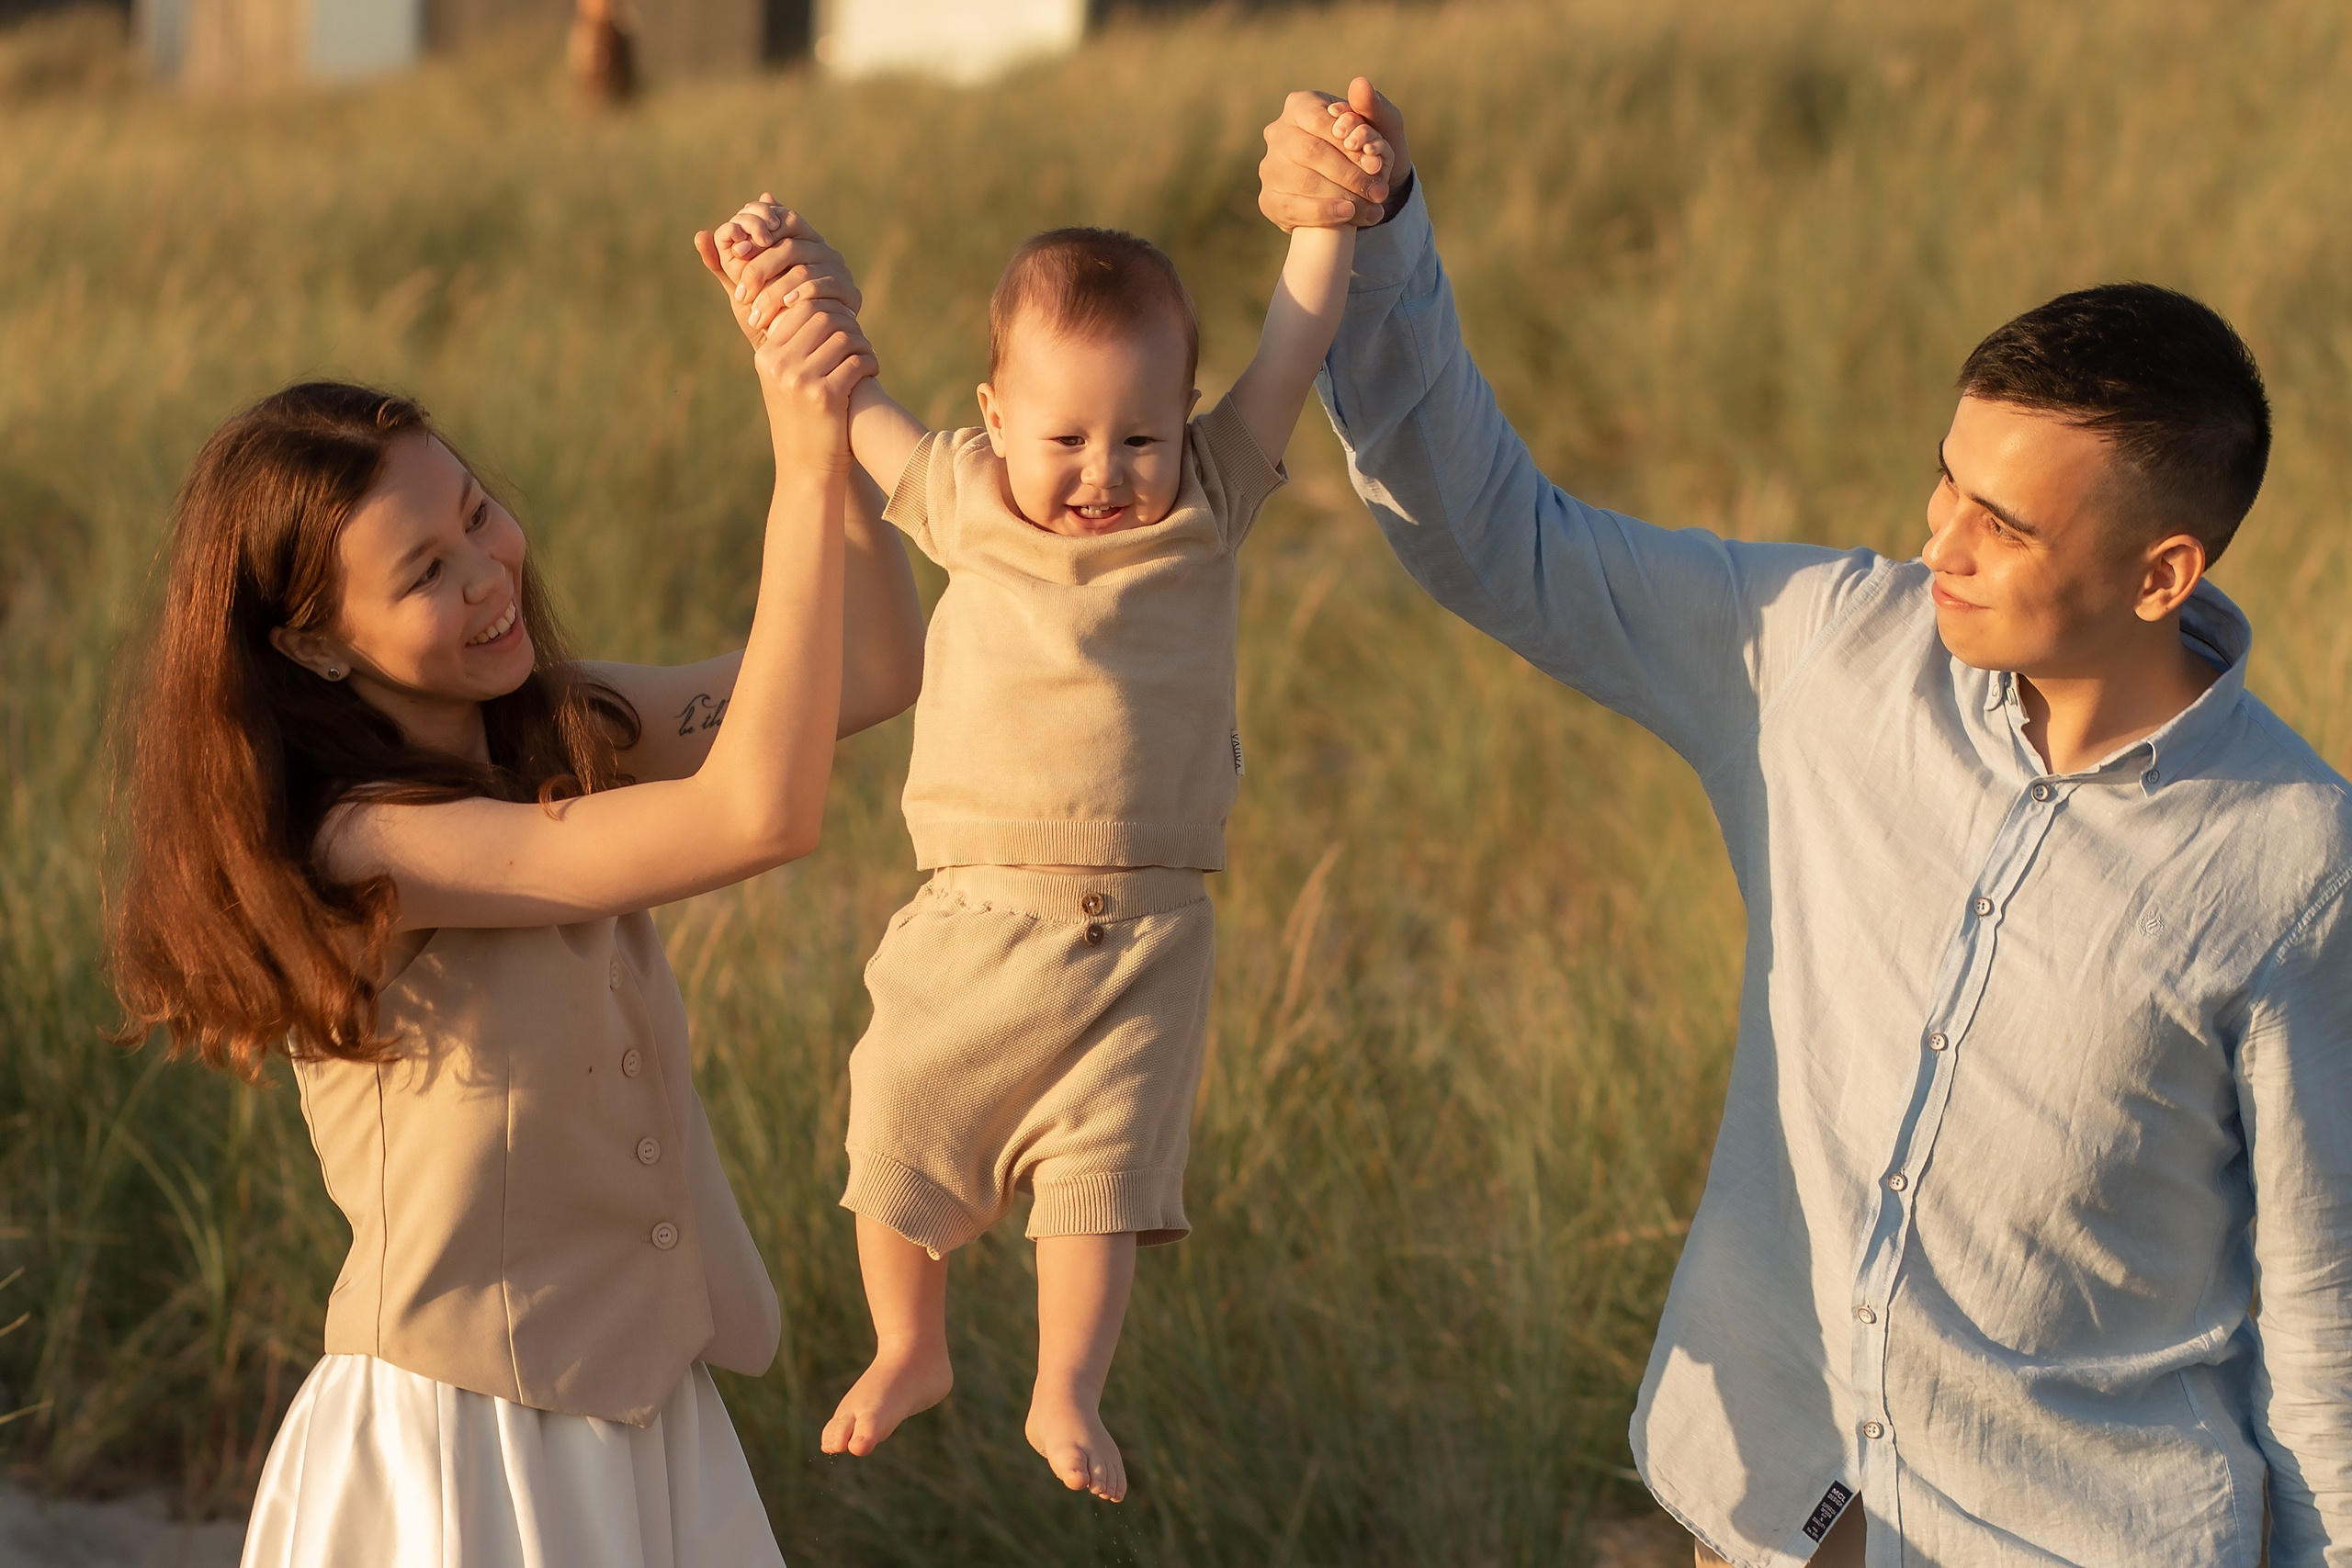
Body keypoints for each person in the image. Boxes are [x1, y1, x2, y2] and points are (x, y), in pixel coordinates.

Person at [1258, 79, 2351, 1567]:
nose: (1936, 544)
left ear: (2162, 575)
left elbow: (2322, 1303)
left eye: (2002, 526)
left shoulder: (2297, 859)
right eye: (1945, 482)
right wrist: (1376, 240)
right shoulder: (1831, 649)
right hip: (1777, 1511)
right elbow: (1501, 540)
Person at [107, 225, 922, 1565]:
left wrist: (826, 400)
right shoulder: (365, 844)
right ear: (312, 643)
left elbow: (878, 666)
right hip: (459, 1449)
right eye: (424, 572)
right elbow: (757, 816)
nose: (490, 576)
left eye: (477, 514)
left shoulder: (569, 724)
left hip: (652, 1412)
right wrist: (793, 468)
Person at [705, 122, 1392, 1506]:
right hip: (973, 915)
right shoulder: (964, 494)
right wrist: (779, 290)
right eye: (1065, 436)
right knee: (894, 1120)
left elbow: (1292, 348)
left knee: (1104, 1179)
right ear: (995, 414)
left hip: (1145, 937)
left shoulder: (1209, 496)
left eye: (1140, 433)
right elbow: (847, 409)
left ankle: (1067, 1388)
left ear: (1186, 416)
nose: (1100, 471)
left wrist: (1334, 218)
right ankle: (911, 1344)